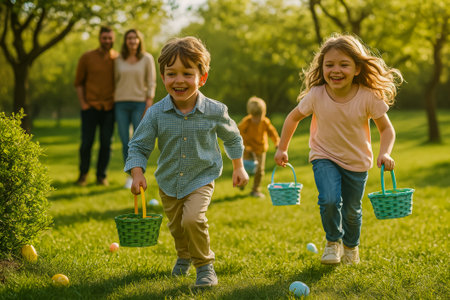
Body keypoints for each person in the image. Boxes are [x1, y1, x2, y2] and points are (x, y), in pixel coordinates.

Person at [125, 36, 249, 287]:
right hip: (168, 180)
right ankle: (183, 256)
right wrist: (137, 173)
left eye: (187, 73)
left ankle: (205, 267)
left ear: (201, 78)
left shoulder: (215, 110)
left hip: (201, 177)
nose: (179, 80)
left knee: (193, 219)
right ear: (163, 77)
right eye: (171, 73)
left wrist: (239, 167)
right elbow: (138, 145)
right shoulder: (156, 113)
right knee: (177, 227)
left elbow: (233, 138)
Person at [274, 33, 403, 265]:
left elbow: (387, 130)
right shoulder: (316, 95)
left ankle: (351, 247)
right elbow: (293, 118)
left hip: (357, 161)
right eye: (329, 64)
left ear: (356, 68)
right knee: (330, 200)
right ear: (322, 68)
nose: (335, 70)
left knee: (352, 211)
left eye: (344, 64)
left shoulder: (368, 96)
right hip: (324, 155)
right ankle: (333, 243)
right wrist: (282, 148)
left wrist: (385, 152)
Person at [74, 26, 118, 186]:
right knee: (86, 143)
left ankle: (101, 176)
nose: (107, 40)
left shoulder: (118, 59)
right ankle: (83, 175)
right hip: (90, 108)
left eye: (110, 38)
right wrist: (83, 104)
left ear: (113, 39)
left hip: (109, 109)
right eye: (104, 37)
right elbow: (78, 83)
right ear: (100, 39)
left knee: (106, 144)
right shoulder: (87, 57)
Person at [114, 29, 157, 188]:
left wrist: (149, 103)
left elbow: (151, 82)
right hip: (120, 103)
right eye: (129, 38)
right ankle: (130, 176)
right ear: (125, 41)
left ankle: (138, 174)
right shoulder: (118, 59)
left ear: (139, 40)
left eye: (135, 38)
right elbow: (114, 80)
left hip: (139, 103)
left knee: (136, 141)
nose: (132, 41)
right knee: (125, 140)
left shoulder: (147, 58)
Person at [238, 96, 280, 198]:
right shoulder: (246, 122)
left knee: (259, 171)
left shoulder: (265, 122)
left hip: (261, 150)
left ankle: (255, 190)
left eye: (259, 115)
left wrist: (277, 143)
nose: (257, 119)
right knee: (246, 168)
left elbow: (272, 133)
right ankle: (241, 182)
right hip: (248, 150)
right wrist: (243, 145)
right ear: (250, 114)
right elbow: (238, 132)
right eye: (254, 116)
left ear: (264, 113)